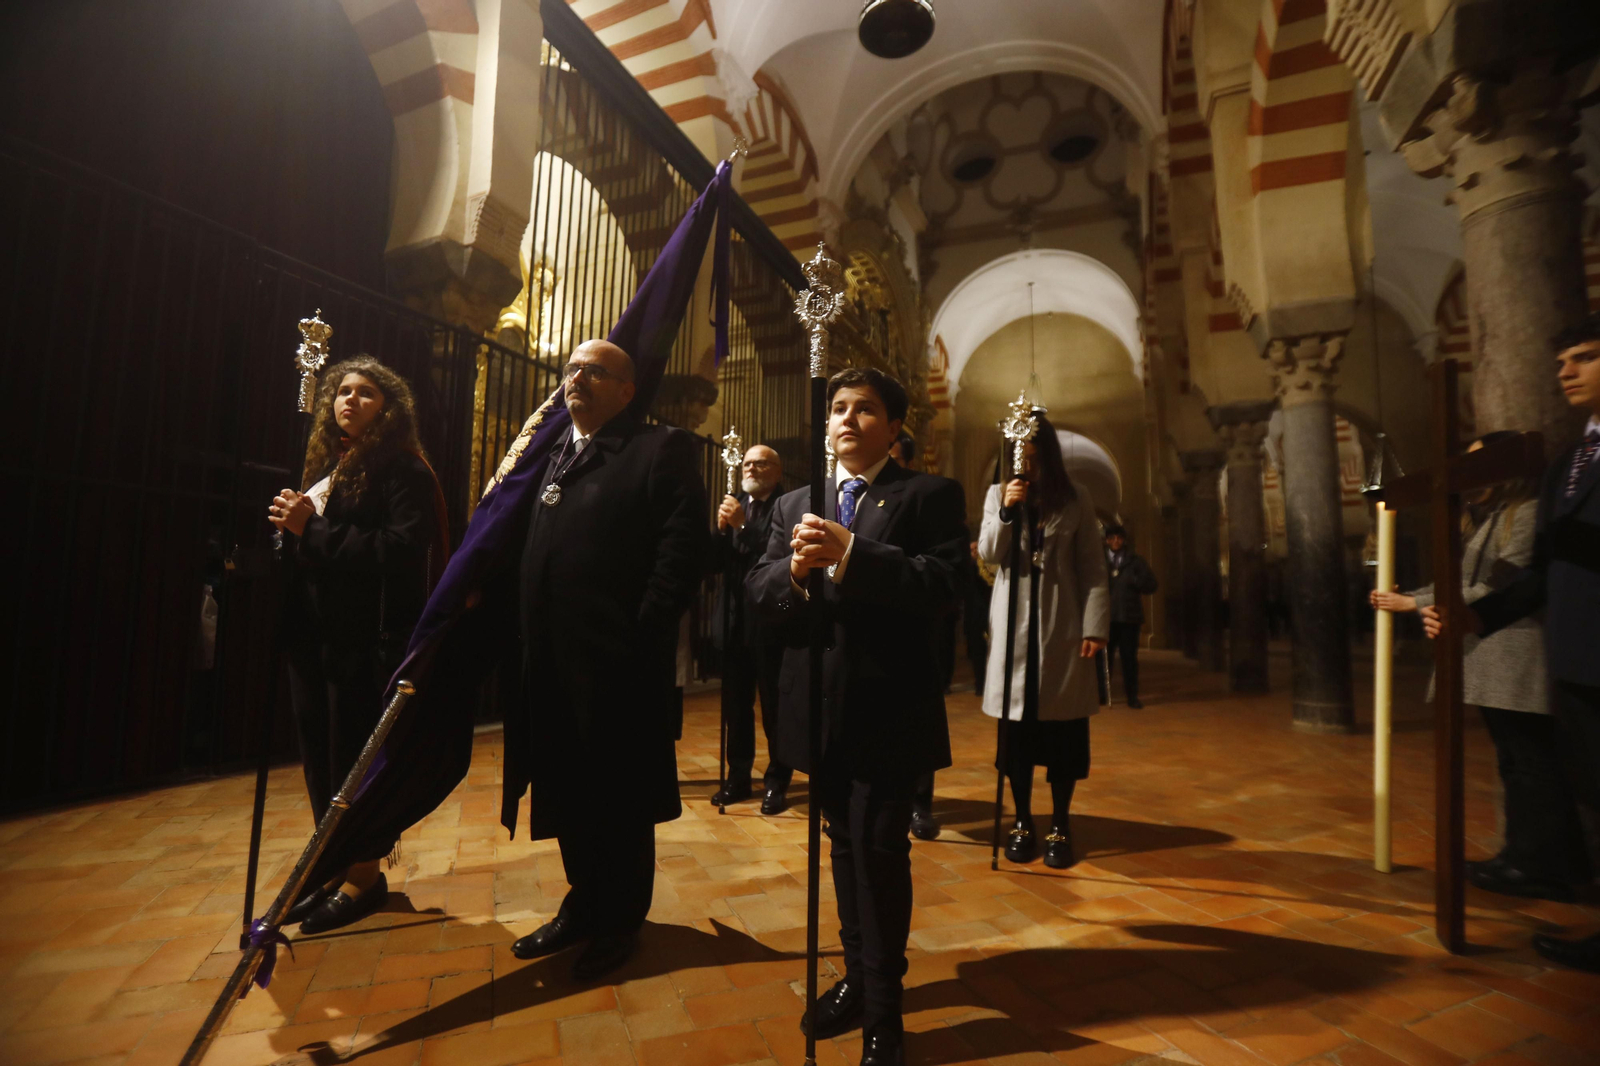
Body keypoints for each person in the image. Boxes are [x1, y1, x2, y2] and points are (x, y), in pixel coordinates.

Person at [749, 367, 967, 1066]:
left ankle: (884, 1009)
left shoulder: (927, 494)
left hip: (888, 706)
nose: (847, 418)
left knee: (878, 852)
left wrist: (852, 555)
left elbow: (944, 584)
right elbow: (758, 590)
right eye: (838, 408)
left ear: (894, 427)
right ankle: (856, 977)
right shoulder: (796, 503)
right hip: (817, 706)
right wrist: (792, 574)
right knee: (842, 845)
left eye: (865, 409)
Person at [505, 339, 707, 980]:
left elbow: (682, 551)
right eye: (571, 369)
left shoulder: (657, 448)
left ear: (626, 390)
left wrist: (642, 635)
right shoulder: (552, 457)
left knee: (618, 796)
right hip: (549, 657)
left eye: (594, 371)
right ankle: (584, 902)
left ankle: (620, 920)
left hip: (617, 660)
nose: (577, 378)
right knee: (566, 784)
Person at [1423, 313, 1600, 974]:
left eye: (1585, 357)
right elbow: (1543, 571)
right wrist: (1475, 618)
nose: (1565, 370)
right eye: (1561, 360)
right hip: (1575, 656)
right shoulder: (1569, 465)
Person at [268, 356, 448, 934]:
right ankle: (333, 866)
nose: (350, 399)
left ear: (389, 408)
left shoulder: (404, 470)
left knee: (355, 761)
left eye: (366, 392)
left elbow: (399, 551)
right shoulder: (331, 465)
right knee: (322, 760)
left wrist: (312, 529)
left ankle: (364, 877)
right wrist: (287, 533)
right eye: (343, 390)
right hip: (315, 639)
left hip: (366, 641)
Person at [1374, 433, 1587, 902]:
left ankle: (1541, 865)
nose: (1470, 477)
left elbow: (1500, 586)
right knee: (1514, 760)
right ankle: (1528, 855)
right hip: (1490, 652)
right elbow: (1460, 583)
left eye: (1478, 465)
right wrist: (1412, 598)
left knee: (1531, 761)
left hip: (1517, 651)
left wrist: (1414, 603)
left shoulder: (1527, 513)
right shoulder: (1490, 516)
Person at [980, 417, 1109, 870]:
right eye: (1021, 458)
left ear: (1048, 457)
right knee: (1017, 738)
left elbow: (1092, 566)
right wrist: (1006, 512)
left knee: (1063, 736)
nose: (1027, 468)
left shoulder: (1075, 498)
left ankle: (1059, 823)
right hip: (1012, 628)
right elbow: (989, 554)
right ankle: (1020, 820)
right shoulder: (998, 494)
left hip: (1062, 628)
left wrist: (1095, 626)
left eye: (1034, 459)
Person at [709, 444, 792, 813]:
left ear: (778, 471)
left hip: (771, 623)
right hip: (734, 621)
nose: (752, 468)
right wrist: (720, 531)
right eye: (747, 463)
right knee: (736, 707)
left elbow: (776, 560)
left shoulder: (787, 506)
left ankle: (777, 782)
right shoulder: (734, 503)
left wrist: (742, 526)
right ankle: (738, 777)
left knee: (775, 707)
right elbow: (715, 563)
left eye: (761, 463)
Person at [1103, 524, 1158, 709]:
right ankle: (1103, 695)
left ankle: (1132, 696)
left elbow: (1152, 584)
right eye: (1112, 538)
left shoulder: (1135, 561)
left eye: (1119, 538)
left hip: (1129, 618)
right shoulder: (1100, 561)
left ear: (1124, 540)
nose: (1116, 541)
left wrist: (1135, 580)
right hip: (1106, 618)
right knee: (1104, 660)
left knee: (1129, 660)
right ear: (1107, 540)